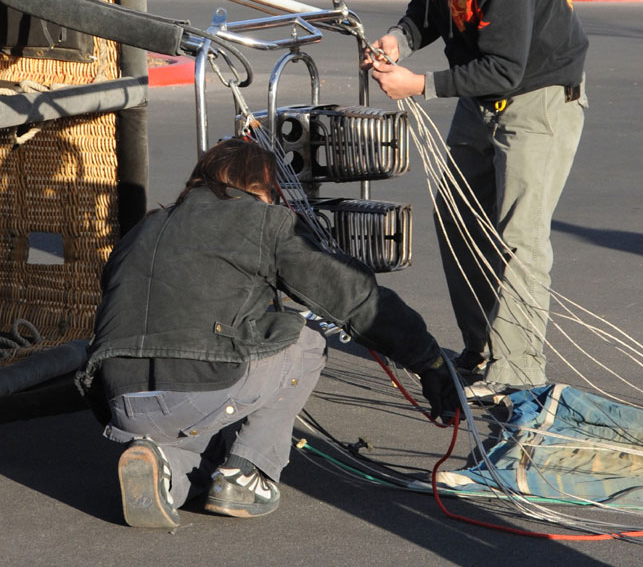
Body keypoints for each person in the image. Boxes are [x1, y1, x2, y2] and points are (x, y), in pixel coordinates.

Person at [76, 138, 458, 529]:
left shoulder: (145, 228)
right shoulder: (262, 221)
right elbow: (353, 296)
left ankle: (159, 468)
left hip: (120, 401)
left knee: (204, 446)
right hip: (194, 388)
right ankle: (248, 474)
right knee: (305, 341)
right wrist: (427, 360)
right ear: (260, 187)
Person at [365, 0, 588, 403]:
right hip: (479, 98)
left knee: (518, 238)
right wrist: (398, 40)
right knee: (459, 218)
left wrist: (418, 83)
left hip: (538, 97)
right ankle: (482, 350)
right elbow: (428, 9)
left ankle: (516, 373)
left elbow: (505, 68)